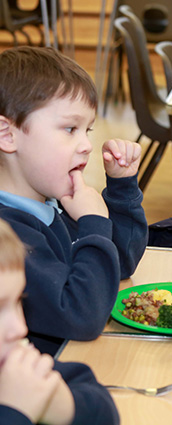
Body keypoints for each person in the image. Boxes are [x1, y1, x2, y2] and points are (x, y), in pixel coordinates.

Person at [0, 47, 148, 356]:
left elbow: (118, 263)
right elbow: (81, 315)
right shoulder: (9, 234)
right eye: (70, 129)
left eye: (87, 130)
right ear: (7, 135)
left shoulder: (51, 203)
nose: (86, 145)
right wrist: (92, 224)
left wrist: (121, 187)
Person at [0, 218, 119, 425]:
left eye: (19, 300)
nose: (20, 327)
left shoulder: (7, 362)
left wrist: (63, 406)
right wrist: (14, 413)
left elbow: (103, 409)